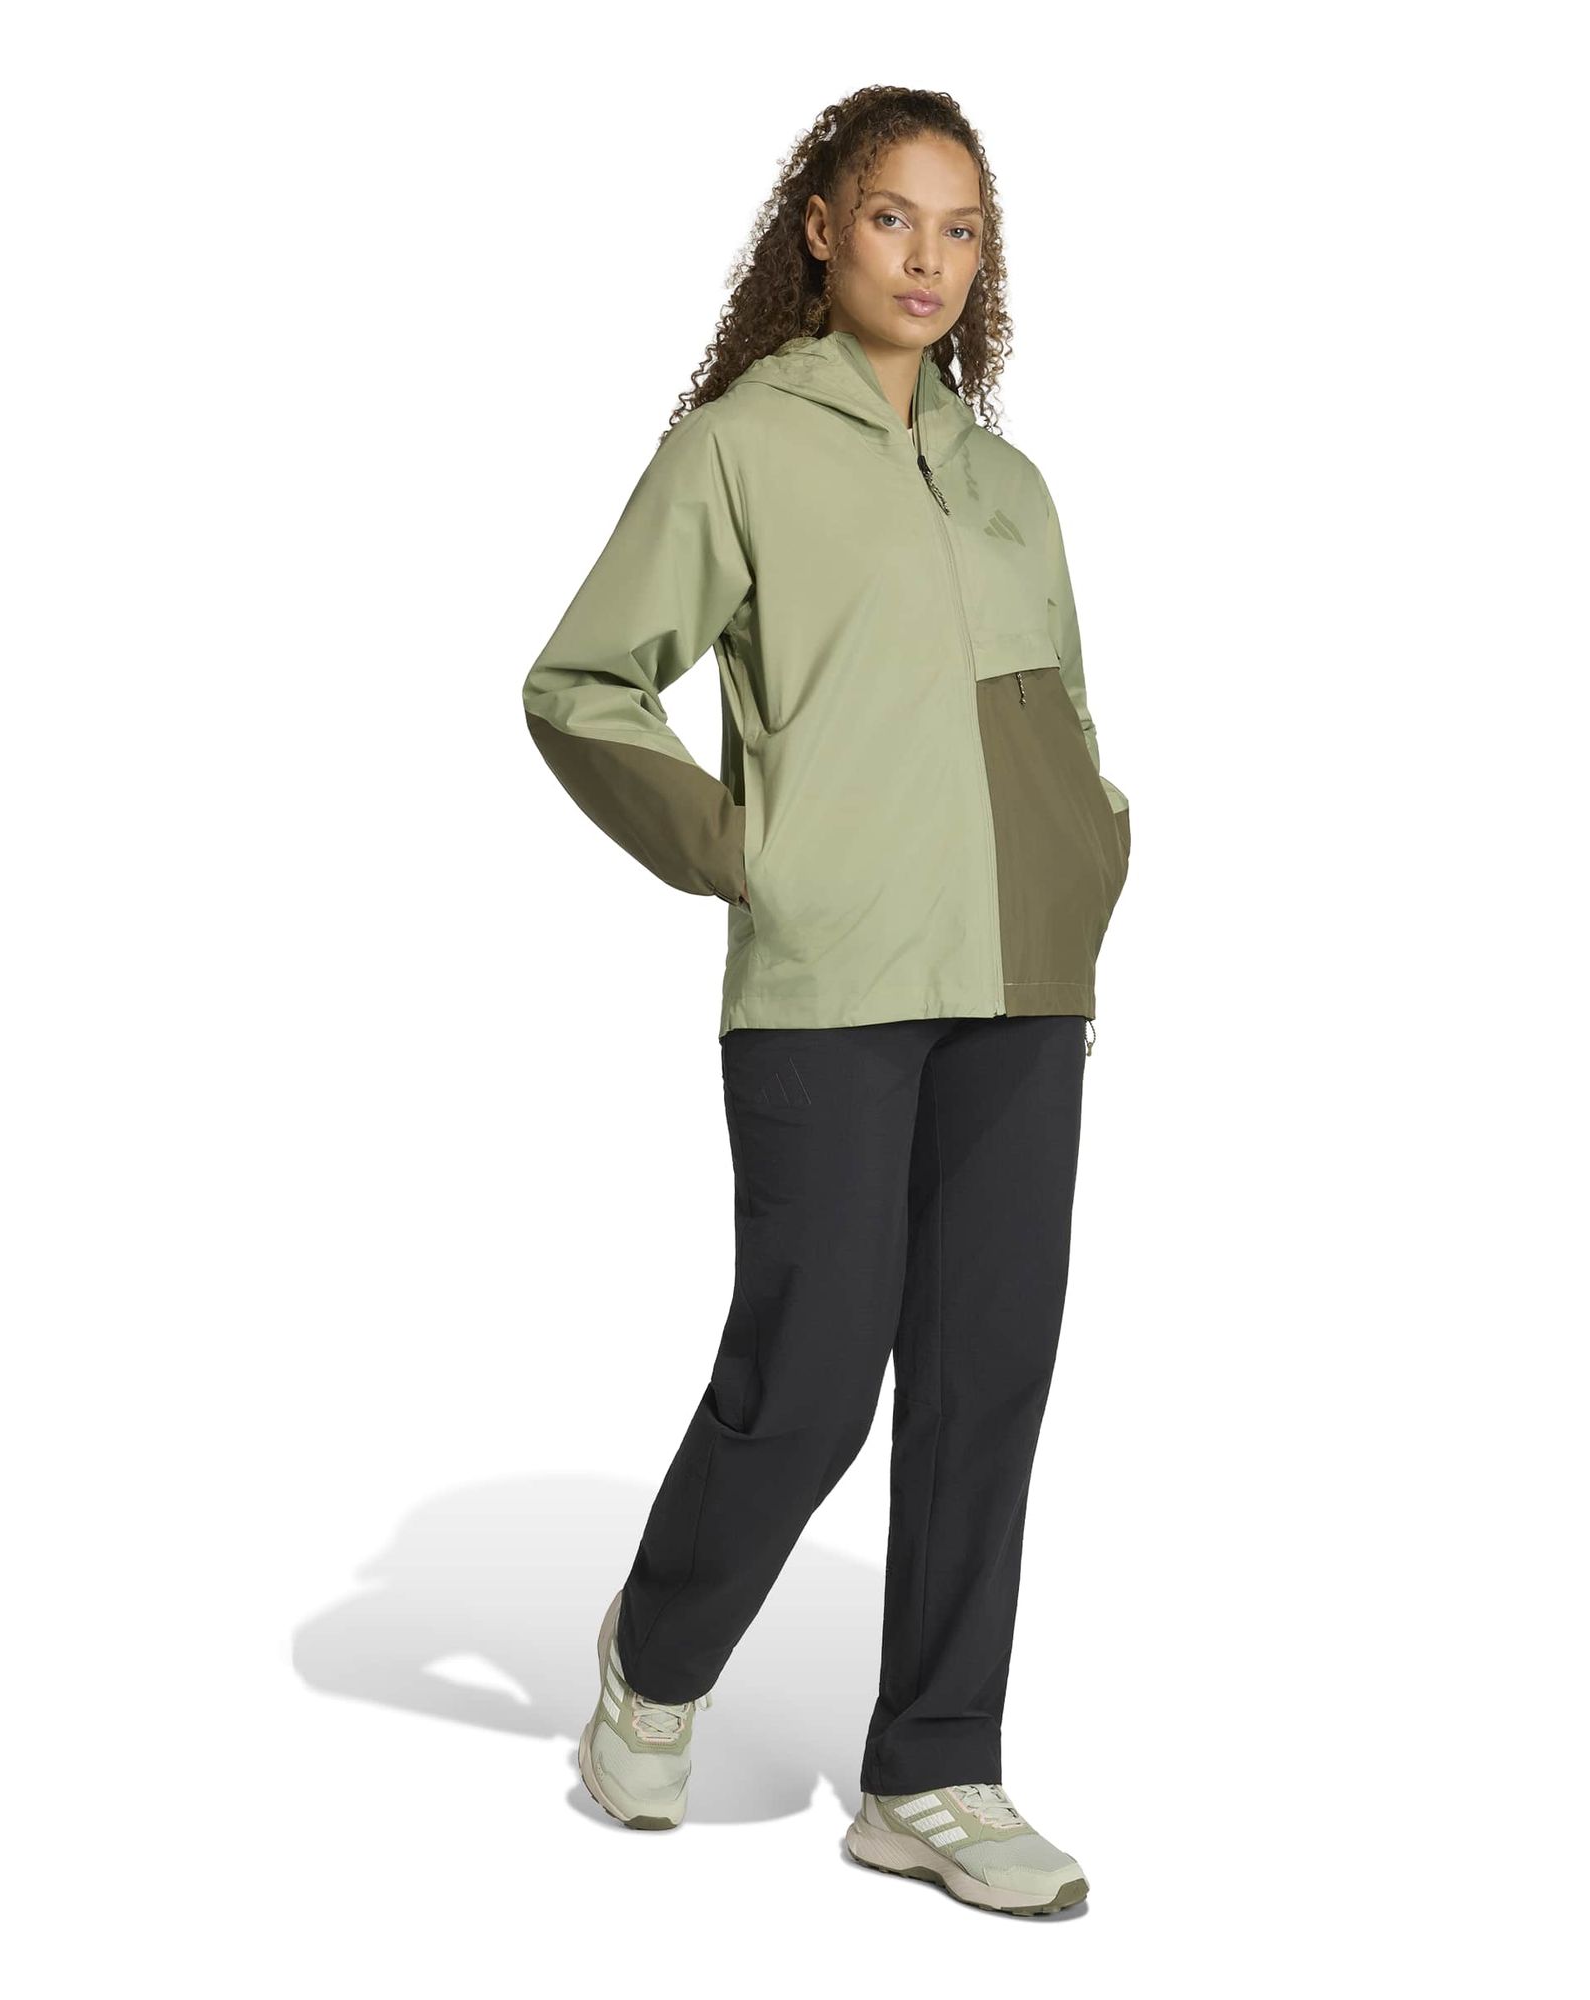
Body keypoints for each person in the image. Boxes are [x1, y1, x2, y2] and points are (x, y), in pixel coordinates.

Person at [518, 86, 1130, 1919]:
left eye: (962, 228)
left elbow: (1062, 712)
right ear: (821, 227)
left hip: (1022, 982)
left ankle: (932, 1771)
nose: (929, 258)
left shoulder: (1007, 484)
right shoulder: (738, 452)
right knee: (808, 1381)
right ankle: (656, 1660)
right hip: (829, 981)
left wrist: (1092, 846)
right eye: (893, 218)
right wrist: (736, 847)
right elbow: (582, 682)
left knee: (985, 1382)